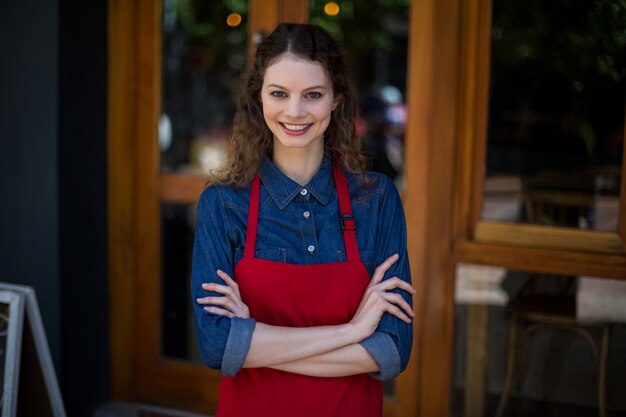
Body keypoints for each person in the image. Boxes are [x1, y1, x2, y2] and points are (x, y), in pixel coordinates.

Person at [191, 23, 415, 417]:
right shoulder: (223, 205)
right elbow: (217, 347)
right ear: (259, 98)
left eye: (313, 94)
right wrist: (353, 333)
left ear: (336, 100)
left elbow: (393, 348)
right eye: (279, 93)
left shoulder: (377, 200)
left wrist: (253, 342)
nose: (294, 111)